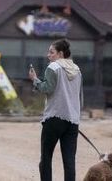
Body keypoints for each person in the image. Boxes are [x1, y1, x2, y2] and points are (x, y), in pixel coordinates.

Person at [29, 38, 83, 181]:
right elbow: (79, 96)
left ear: (60, 53)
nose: (48, 55)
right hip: (73, 120)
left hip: (54, 118)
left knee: (46, 157)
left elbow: (47, 88)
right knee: (69, 160)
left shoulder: (53, 67)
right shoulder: (77, 70)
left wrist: (35, 79)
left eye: (51, 52)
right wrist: (75, 115)